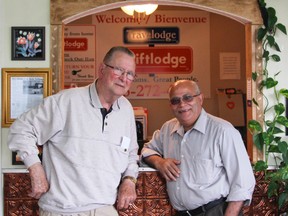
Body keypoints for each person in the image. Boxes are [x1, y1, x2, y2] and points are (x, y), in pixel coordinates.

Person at [8, 46, 139, 216]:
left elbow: (131, 153)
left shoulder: (126, 109)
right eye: (119, 70)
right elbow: (21, 130)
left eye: (130, 74)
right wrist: (35, 168)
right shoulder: (66, 101)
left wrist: (129, 180)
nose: (124, 78)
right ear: (102, 69)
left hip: (105, 208)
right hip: (63, 210)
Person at [141, 80, 255, 216]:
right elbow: (147, 150)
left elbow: (243, 182)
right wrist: (160, 162)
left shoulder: (223, 131)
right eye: (175, 100)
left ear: (200, 99)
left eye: (188, 98)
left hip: (216, 211)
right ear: (171, 105)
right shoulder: (168, 129)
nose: (182, 104)